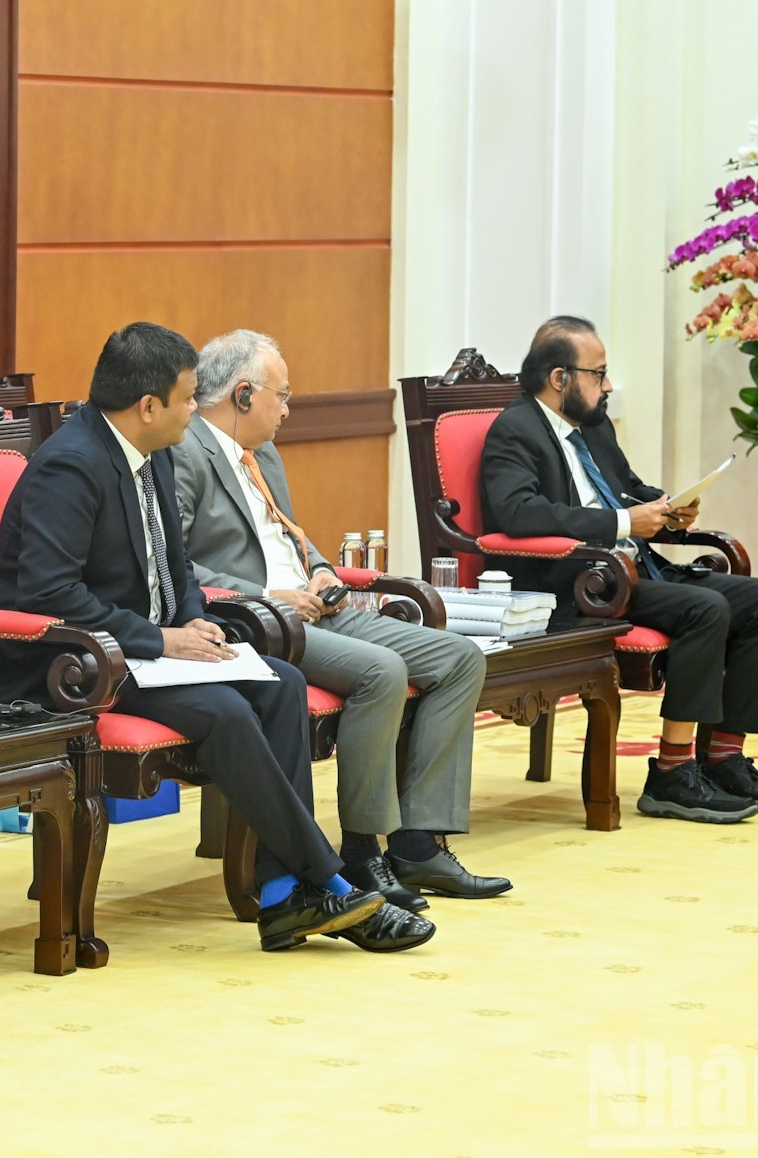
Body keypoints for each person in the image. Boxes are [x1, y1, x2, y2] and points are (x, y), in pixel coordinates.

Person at [0, 322, 435, 953]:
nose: (196, 408)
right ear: (148, 405)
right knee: (225, 710)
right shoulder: (71, 466)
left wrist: (191, 618)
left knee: (282, 684)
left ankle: (280, 898)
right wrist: (160, 639)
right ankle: (329, 883)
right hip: (63, 664)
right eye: (189, 398)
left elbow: (175, 566)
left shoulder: (153, 451)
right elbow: (49, 596)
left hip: (137, 652)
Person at [172, 331, 508, 911]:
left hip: (316, 608)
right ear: (244, 394)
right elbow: (173, 560)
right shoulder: (183, 452)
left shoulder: (263, 453)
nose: (288, 407)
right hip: (259, 621)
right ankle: (361, 849)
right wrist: (267, 594)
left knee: (459, 658)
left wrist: (324, 570)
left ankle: (419, 842)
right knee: (383, 671)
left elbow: (287, 535)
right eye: (282, 394)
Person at [479, 315, 758, 824]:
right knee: (706, 608)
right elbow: (518, 513)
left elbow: (625, 487)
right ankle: (672, 774)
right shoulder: (514, 431)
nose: (607, 386)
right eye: (598, 373)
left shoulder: (593, 425)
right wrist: (626, 520)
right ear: (560, 378)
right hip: (573, 583)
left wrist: (666, 508)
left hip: (626, 571)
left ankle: (723, 760)